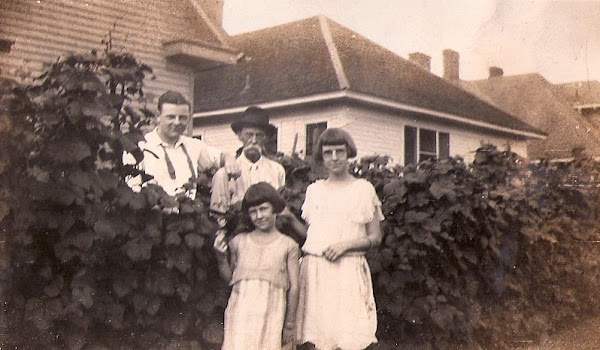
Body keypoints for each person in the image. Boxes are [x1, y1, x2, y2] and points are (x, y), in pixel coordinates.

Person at [294, 128, 384, 350]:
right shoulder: (314, 191)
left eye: (339, 151)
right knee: (319, 339)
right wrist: (287, 219)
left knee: (349, 338)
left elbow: (376, 237)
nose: (334, 158)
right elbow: (314, 236)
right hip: (316, 270)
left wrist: (346, 245)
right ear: (322, 157)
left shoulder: (363, 189)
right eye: (328, 153)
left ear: (348, 153)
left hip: (348, 269)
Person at [213, 182, 300, 350]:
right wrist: (221, 258)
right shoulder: (239, 242)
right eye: (253, 212)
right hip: (241, 314)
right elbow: (230, 281)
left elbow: (294, 287)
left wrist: (289, 324)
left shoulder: (288, 245)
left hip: (272, 315)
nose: (259, 216)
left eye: (263, 209)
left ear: (275, 208)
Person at [124, 90, 239, 198]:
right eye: (171, 117)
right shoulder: (141, 146)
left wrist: (230, 160)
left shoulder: (193, 146)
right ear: (158, 117)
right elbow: (131, 189)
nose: (177, 122)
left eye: (183, 118)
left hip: (188, 214)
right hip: (152, 215)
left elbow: (220, 157)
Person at [210, 106, 285, 214]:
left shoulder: (277, 170)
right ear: (240, 136)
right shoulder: (224, 174)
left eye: (259, 135)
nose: (253, 141)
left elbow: (280, 209)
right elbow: (218, 213)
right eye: (249, 135)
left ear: (266, 138)